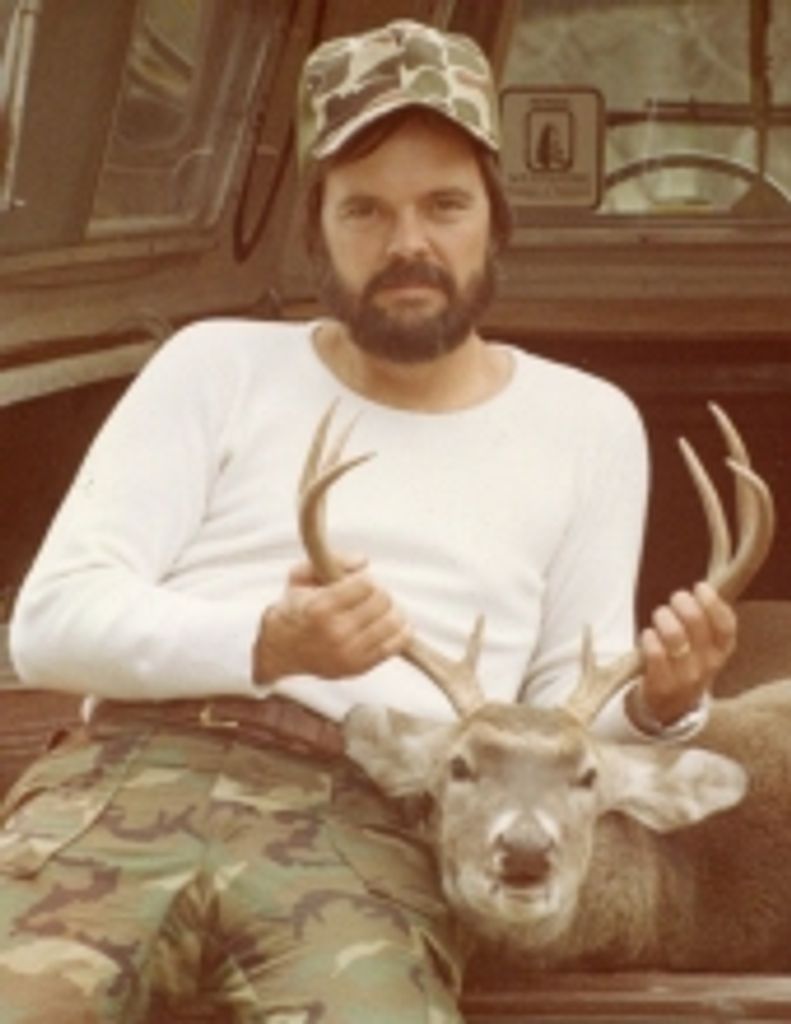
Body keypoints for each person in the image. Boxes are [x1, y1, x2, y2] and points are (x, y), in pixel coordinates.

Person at [0, 19, 735, 1024]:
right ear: (317, 228)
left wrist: (658, 701)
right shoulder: (213, 365)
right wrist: (266, 641)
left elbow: (557, 721)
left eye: (444, 205)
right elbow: (49, 626)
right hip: (129, 779)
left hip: (374, 817)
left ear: (495, 220)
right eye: (364, 209)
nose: (407, 244)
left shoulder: (588, 423)